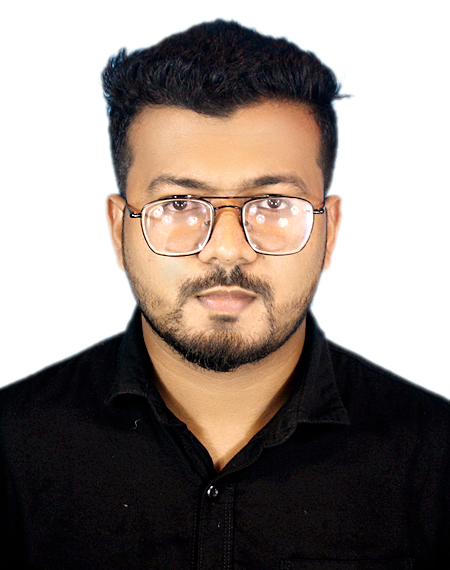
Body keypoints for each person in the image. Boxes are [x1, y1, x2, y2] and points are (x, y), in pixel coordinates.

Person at [0, 19, 449, 570]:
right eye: (179, 204)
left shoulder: (436, 460)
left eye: (274, 204)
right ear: (120, 230)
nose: (228, 250)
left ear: (328, 230)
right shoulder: (11, 450)